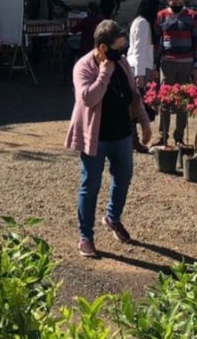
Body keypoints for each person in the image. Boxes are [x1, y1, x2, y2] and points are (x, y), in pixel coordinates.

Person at [66, 20, 152, 258]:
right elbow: (87, 99)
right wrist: (104, 72)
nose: (122, 52)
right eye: (117, 47)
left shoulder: (122, 62)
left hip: (121, 133)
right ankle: (86, 236)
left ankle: (112, 217)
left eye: (123, 47)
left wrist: (143, 121)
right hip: (96, 137)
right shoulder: (83, 66)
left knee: (124, 177)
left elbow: (134, 94)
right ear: (103, 48)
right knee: (90, 185)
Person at [155, 0, 197, 147]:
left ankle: (179, 136)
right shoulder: (161, 16)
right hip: (166, 62)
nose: (177, 6)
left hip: (186, 63)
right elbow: (157, 41)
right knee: (165, 100)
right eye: (174, 4)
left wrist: (196, 66)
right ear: (168, 1)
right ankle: (163, 135)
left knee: (182, 101)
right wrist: (155, 65)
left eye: (180, 3)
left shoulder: (192, 16)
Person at [127, 0, 161, 154]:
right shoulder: (142, 23)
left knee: (137, 104)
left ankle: (134, 138)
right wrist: (140, 74)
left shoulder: (140, 21)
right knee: (136, 105)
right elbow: (140, 50)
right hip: (138, 67)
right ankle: (133, 138)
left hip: (141, 66)